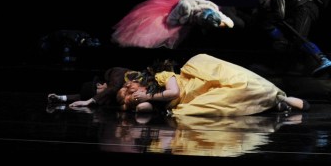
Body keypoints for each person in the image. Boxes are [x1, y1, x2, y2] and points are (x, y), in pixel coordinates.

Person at [118, 52, 308, 117]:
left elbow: (174, 93)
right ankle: (275, 104)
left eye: (133, 90)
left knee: (239, 83)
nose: (137, 93)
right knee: (232, 100)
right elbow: (144, 108)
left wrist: (148, 96)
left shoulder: (162, 76)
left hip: (199, 84)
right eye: (133, 95)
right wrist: (139, 103)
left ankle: (280, 98)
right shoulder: (151, 100)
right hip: (197, 101)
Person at [110, 0, 235, 49]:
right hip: (171, 10)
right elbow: (171, 21)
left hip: (195, 12)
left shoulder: (212, 8)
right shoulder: (185, 7)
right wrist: (184, 21)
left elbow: (230, 23)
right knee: (158, 30)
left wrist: (223, 23)